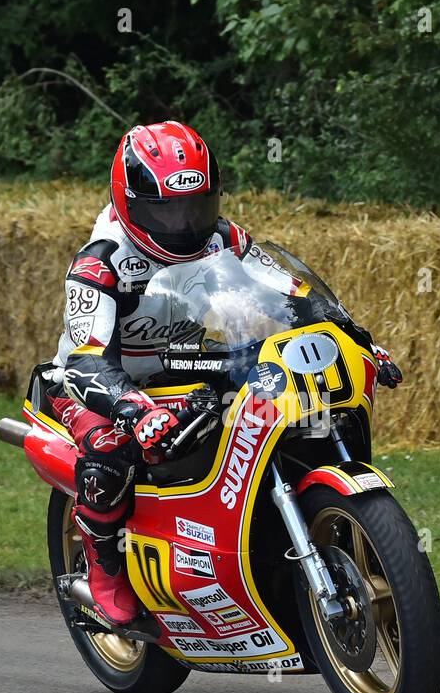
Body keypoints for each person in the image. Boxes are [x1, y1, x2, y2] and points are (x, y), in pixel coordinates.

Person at [50, 121, 402, 635]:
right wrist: (134, 408)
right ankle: (105, 571)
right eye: (165, 209)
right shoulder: (99, 265)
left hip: (192, 369)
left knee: (279, 412)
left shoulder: (223, 238)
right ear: (129, 202)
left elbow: (289, 293)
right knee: (109, 448)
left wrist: (356, 339)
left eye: (195, 206)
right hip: (104, 390)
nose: (183, 223)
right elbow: (84, 362)